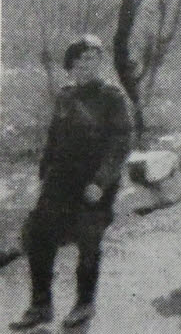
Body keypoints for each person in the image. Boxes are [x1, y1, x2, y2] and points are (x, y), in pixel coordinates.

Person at [11, 36, 132, 330]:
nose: (85, 65)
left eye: (92, 59)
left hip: (94, 183)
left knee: (89, 242)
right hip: (60, 180)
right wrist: (43, 174)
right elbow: (54, 139)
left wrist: (101, 181)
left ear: (99, 63)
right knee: (39, 237)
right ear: (71, 65)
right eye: (80, 60)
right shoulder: (65, 96)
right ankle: (41, 305)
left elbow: (120, 143)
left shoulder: (112, 97)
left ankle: (84, 303)